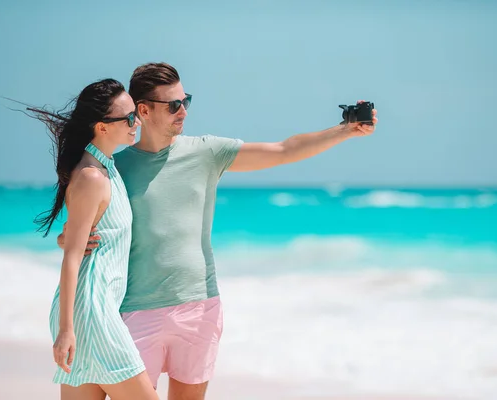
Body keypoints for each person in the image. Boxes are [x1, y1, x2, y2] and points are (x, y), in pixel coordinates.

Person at [59, 62, 378, 400]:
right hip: (135, 309)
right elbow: (81, 228)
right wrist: (69, 239)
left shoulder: (207, 152)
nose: (183, 111)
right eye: (173, 105)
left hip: (200, 307)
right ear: (143, 110)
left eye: (186, 101)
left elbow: (284, 150)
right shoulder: (115, 168)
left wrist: (344, 130)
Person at [27, 78, 158, 400]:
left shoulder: (106, 169)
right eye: (128, 118)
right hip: (91, 314)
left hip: (95, 312)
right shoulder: (91, 177)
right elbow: (72, 258)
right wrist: (66, 331)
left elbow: (79, 236)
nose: (136, 122)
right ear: (101, 127)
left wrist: (68, 236)